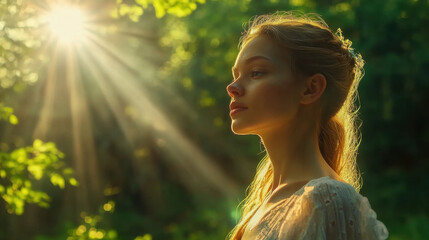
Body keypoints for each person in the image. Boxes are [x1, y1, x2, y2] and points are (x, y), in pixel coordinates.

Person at [225, 11, 389, 240]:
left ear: (311, 88)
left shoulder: (328, 200)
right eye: (236, 75)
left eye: (255, 73)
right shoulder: (265, 202)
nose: (232, 87)